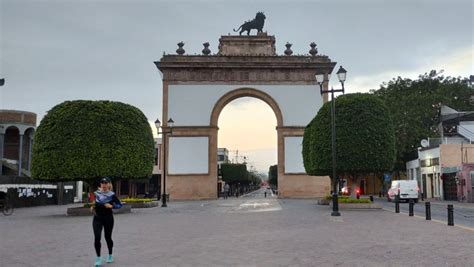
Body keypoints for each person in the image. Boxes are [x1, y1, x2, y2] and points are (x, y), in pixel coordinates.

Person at [91, 177, 122, 266]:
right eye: (102, 183)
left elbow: (119, 205)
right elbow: (96, 204)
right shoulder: (97, 194)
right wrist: (93, 207)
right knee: (97, 237)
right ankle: (98, 258)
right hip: (97, 218)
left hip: (108, 219)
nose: (103, 184)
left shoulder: (112, 195)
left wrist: (112, 206)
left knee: (107, 237)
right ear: (100, 184)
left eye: (105, 183)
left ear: (109, 184)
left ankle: (110, 255)